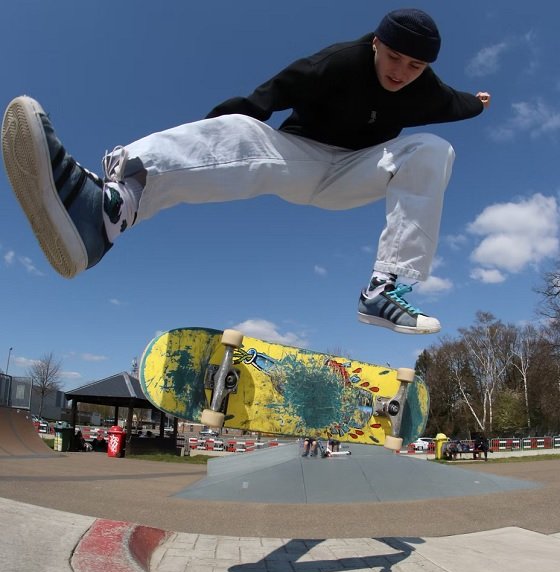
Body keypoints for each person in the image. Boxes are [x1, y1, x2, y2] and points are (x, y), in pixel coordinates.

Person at [1, 9, 490, 334]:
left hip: (361, 171)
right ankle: (110, 209)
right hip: (300, 155)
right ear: (377, 44)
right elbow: (273, 92)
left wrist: (479, 103)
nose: (402, 73)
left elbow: (456, 103)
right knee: (244, 129)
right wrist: (218, 128)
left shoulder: (425, 89)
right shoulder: (337, 63)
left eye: (415, 66)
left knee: (432, 149)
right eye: (395, 57)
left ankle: (385, 289)